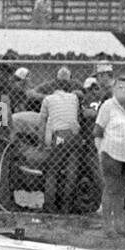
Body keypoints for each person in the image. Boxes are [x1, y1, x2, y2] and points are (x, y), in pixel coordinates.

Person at [93, 75, 125, 237]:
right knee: (111, 189)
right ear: (114, 89)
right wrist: (101, 151)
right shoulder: (107, 106)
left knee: (121, 191)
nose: (123, 90)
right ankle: (107, 227)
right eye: (120, 87)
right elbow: (98, 131)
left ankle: (119, 226)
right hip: (110, 153)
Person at [38, 69, 88, 213]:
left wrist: (42, 143)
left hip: (60, 136)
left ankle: (50, 206)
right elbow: (77, 118)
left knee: (52, 171)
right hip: (74, 136)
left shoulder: (48, 99)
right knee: (72, 171)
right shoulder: (74, 98)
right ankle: (66, 206)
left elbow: (42, 123)